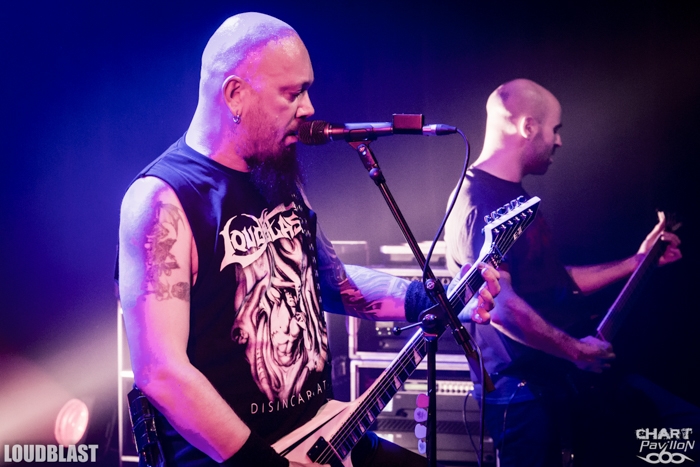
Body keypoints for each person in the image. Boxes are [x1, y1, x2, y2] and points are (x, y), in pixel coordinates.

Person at [117, 12, 500, 467]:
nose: (308, 108)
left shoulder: (274, 176)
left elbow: (328, 281)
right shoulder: (163, 200)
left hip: (324, 434)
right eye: (292, 93)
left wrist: (440, 301)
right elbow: (161, 372)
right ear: (235, 94)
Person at [443, 78, 691, 466]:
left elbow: (554, 283)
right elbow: (502, 307)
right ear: (528, 127)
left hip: (555, 382)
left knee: (681, 433)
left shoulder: (514, 197)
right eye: (554, 129)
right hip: (522, 397)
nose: (559, 141)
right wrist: (576, 351)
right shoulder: (478, 201)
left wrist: (638, 261)